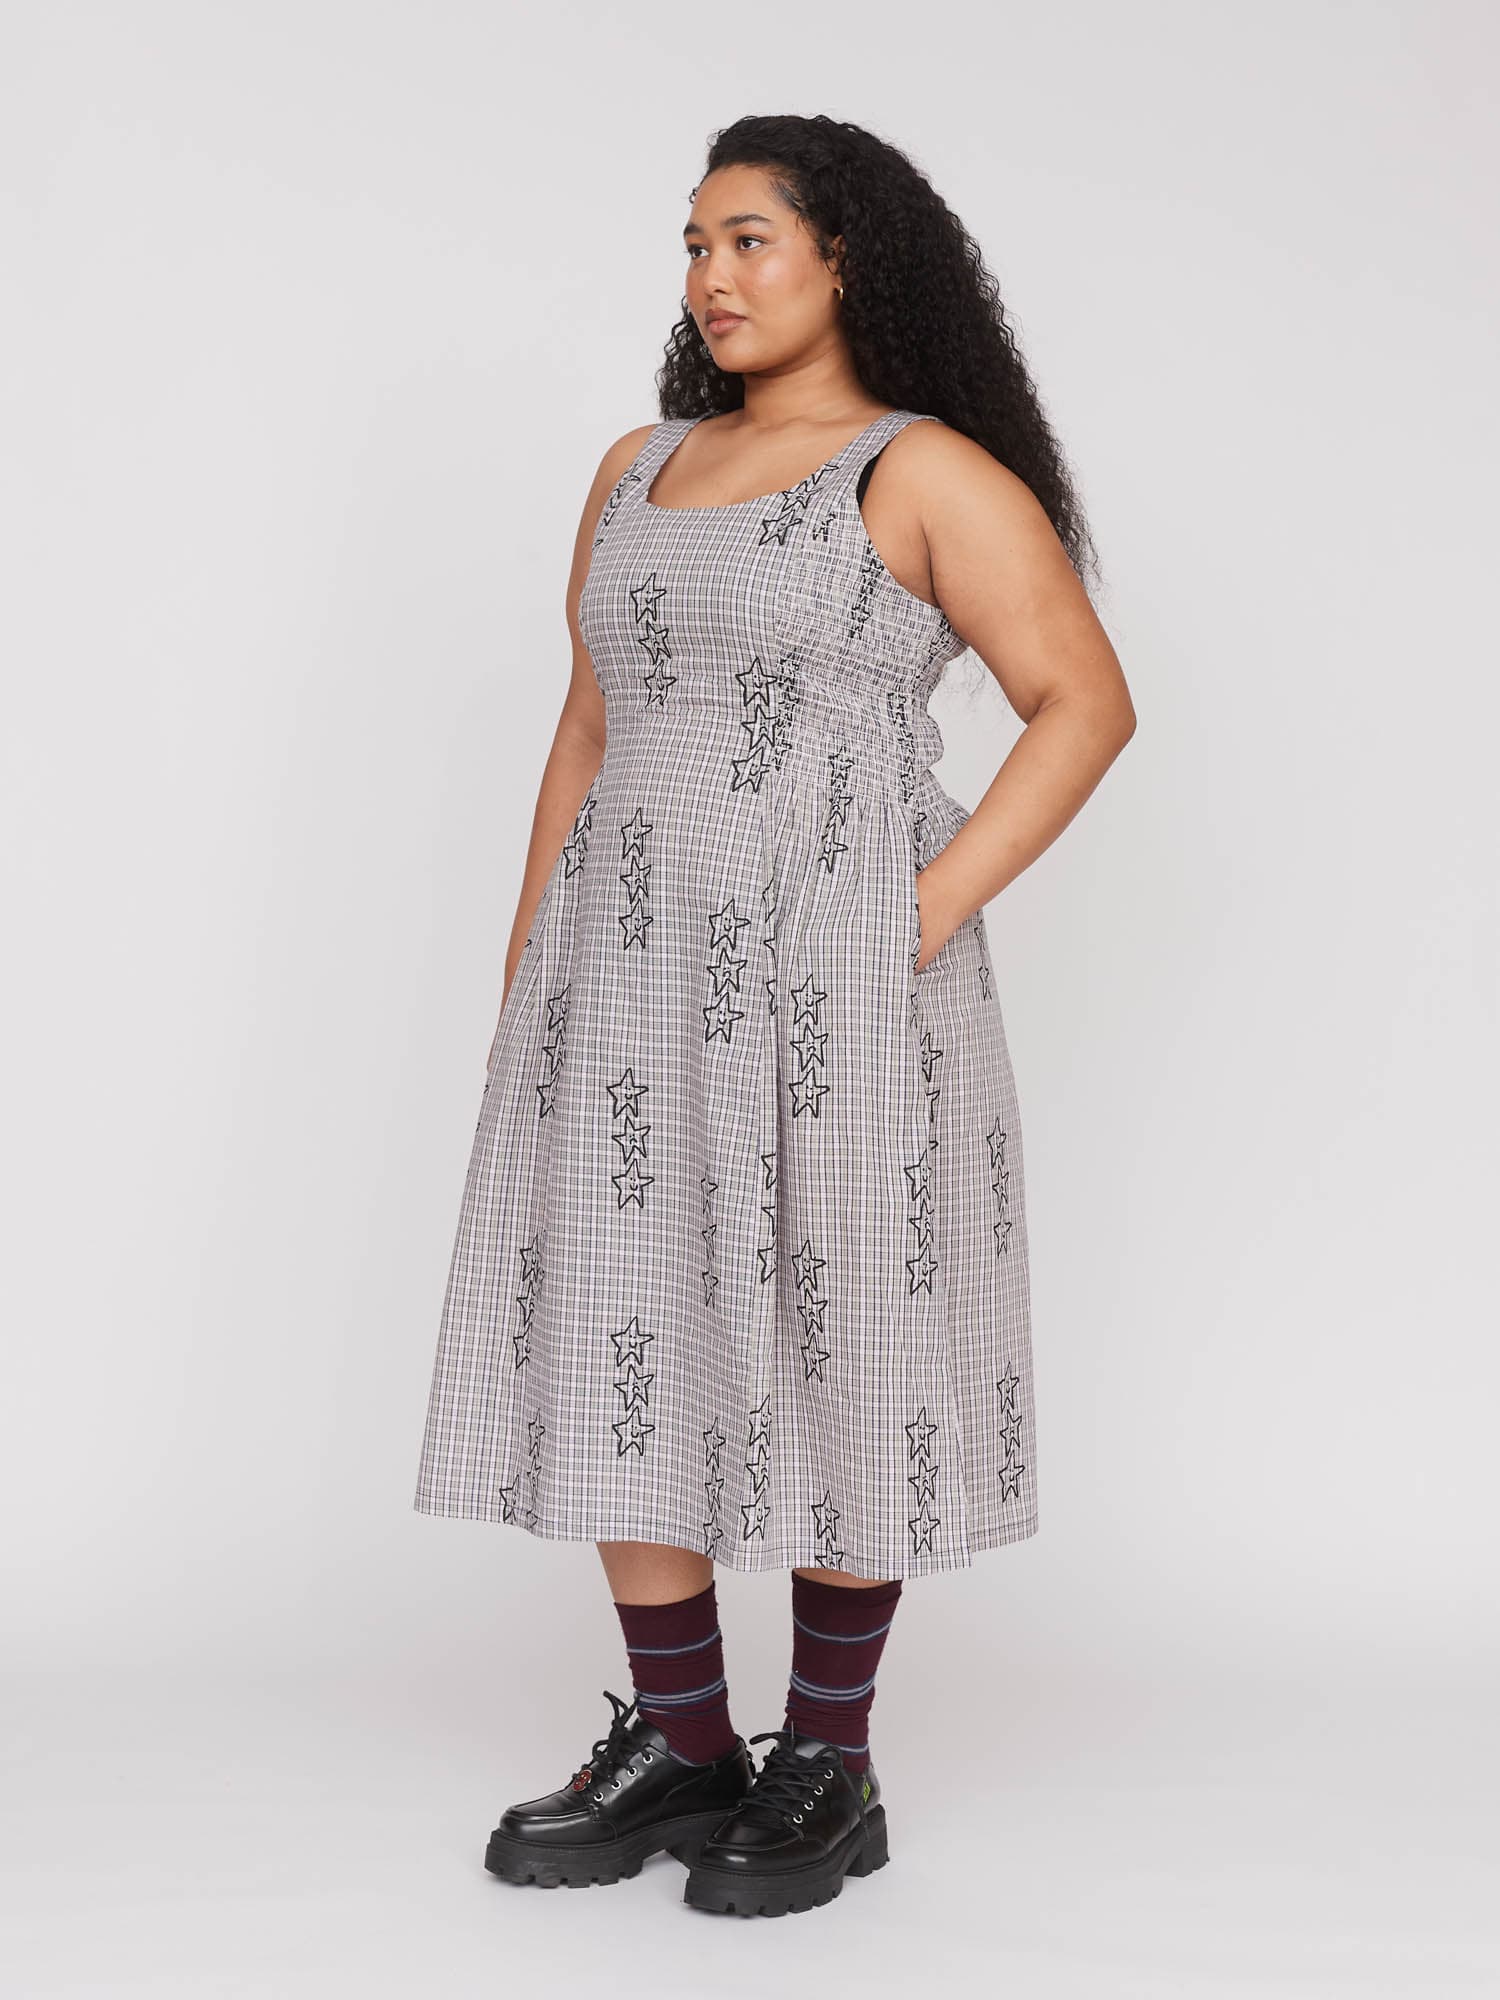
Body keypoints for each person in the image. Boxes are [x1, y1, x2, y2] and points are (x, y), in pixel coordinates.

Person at [413, 111, 1135, 1919]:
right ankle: (682, 1742)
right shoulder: (638, 465)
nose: (711, 277)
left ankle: (831, 1760)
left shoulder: (924, 472)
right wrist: (529, 960)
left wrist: (917, 915)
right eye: (694, 244)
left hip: (843, 985)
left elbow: (1084, 703)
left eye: (748, 239)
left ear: (846, 259)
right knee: (623, 1308)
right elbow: (591, 724)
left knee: (845, 1324)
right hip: (627, 970)